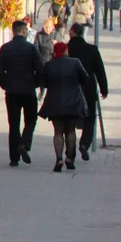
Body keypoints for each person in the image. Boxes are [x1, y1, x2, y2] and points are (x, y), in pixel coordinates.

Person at [0, 19, 44, 167]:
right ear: (23, 31)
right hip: (28, 90)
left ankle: (14, 158)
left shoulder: (5, 48)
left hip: (12, 92)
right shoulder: (31, 49)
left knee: (13, 123)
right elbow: (40, 70)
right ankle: (25, 143)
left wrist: (5, 85)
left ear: (13, 31)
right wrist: (35, 83)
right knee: (30, 119)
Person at [38, 42, 89, 172]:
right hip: (73, 102)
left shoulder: (49, 65)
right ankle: (69, 159)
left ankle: (59, 158)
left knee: (58, 131)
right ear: (66, 50)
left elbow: (44, 83)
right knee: (71, 130)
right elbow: (85, 78)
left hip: (55, 102)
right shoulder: (75, 62)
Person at [67, 22, 108, 161]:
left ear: (71, 33)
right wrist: (104, 89)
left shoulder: (66, 49)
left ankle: (70, 154)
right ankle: (84, 144)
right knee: (90, 120)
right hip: (88, 90)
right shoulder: (92, 50)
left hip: (70, 91)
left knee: (70, 122)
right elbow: (100, 71)